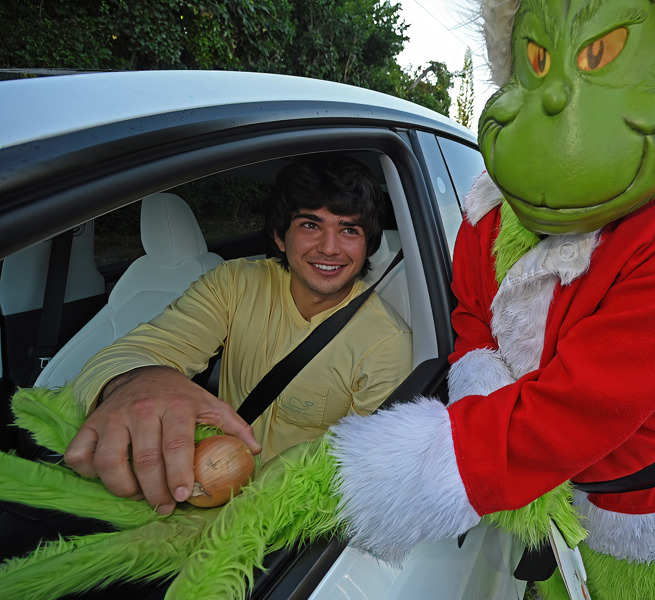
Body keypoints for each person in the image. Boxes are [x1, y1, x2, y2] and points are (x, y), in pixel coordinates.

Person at [63, 154, 413, 516]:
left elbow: (363, 472)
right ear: (280, 236)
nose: (329, 247)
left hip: (290, 522)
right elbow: (130, 353)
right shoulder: (233, 284)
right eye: (310, 225)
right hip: (196, 488)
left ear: (367, 245)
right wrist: (137, 382)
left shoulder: (386, 344)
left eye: (349, 230)